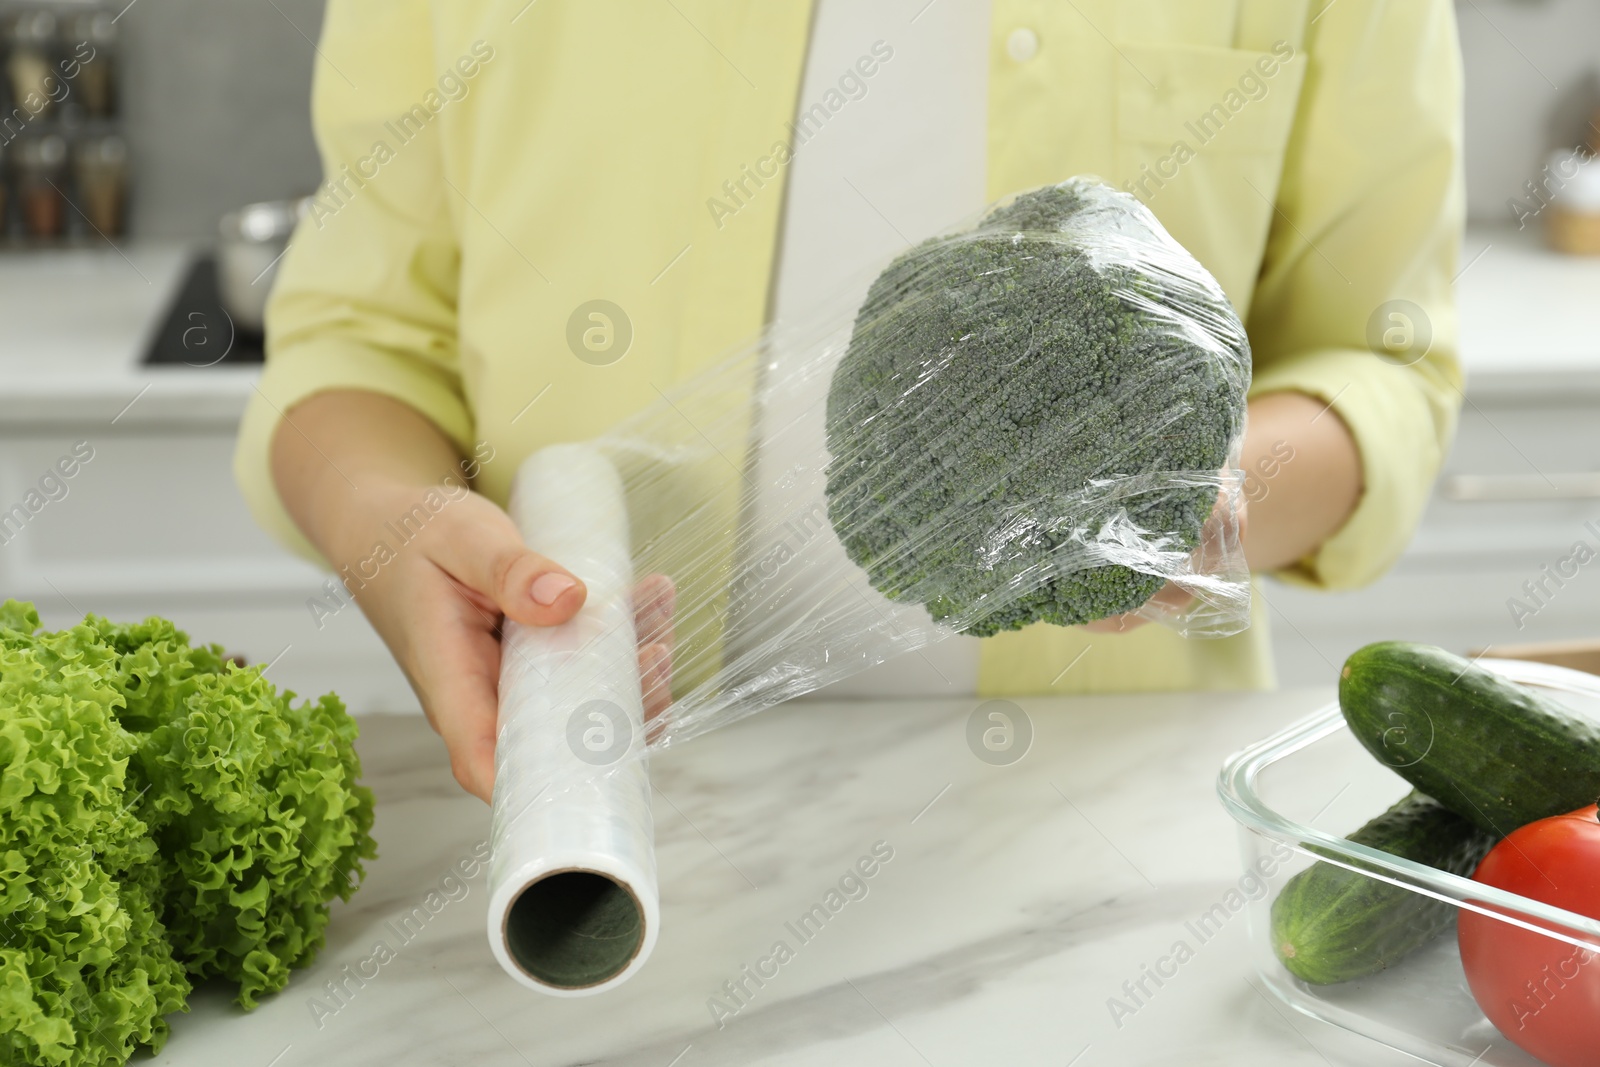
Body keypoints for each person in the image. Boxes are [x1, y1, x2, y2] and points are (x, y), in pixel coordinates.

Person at [235, 0, 1464, 803]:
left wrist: (1210, 498)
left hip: (1096, 828)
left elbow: (1381, 364)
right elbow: (359, 341)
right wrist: (394, 531)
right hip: (599, 794)